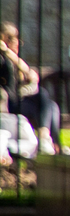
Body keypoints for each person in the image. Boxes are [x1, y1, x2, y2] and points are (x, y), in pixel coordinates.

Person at [0, 24, 56, 155]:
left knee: (51, 105)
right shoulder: (4, 60)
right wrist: (6, 51)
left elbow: (30, 73)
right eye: (15, 39)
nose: (19, 43)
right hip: (9, 106)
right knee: (46, 101)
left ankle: (48, 141)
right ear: (5, 40)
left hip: (18, 101)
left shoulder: (11, 59)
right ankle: (48, 142)